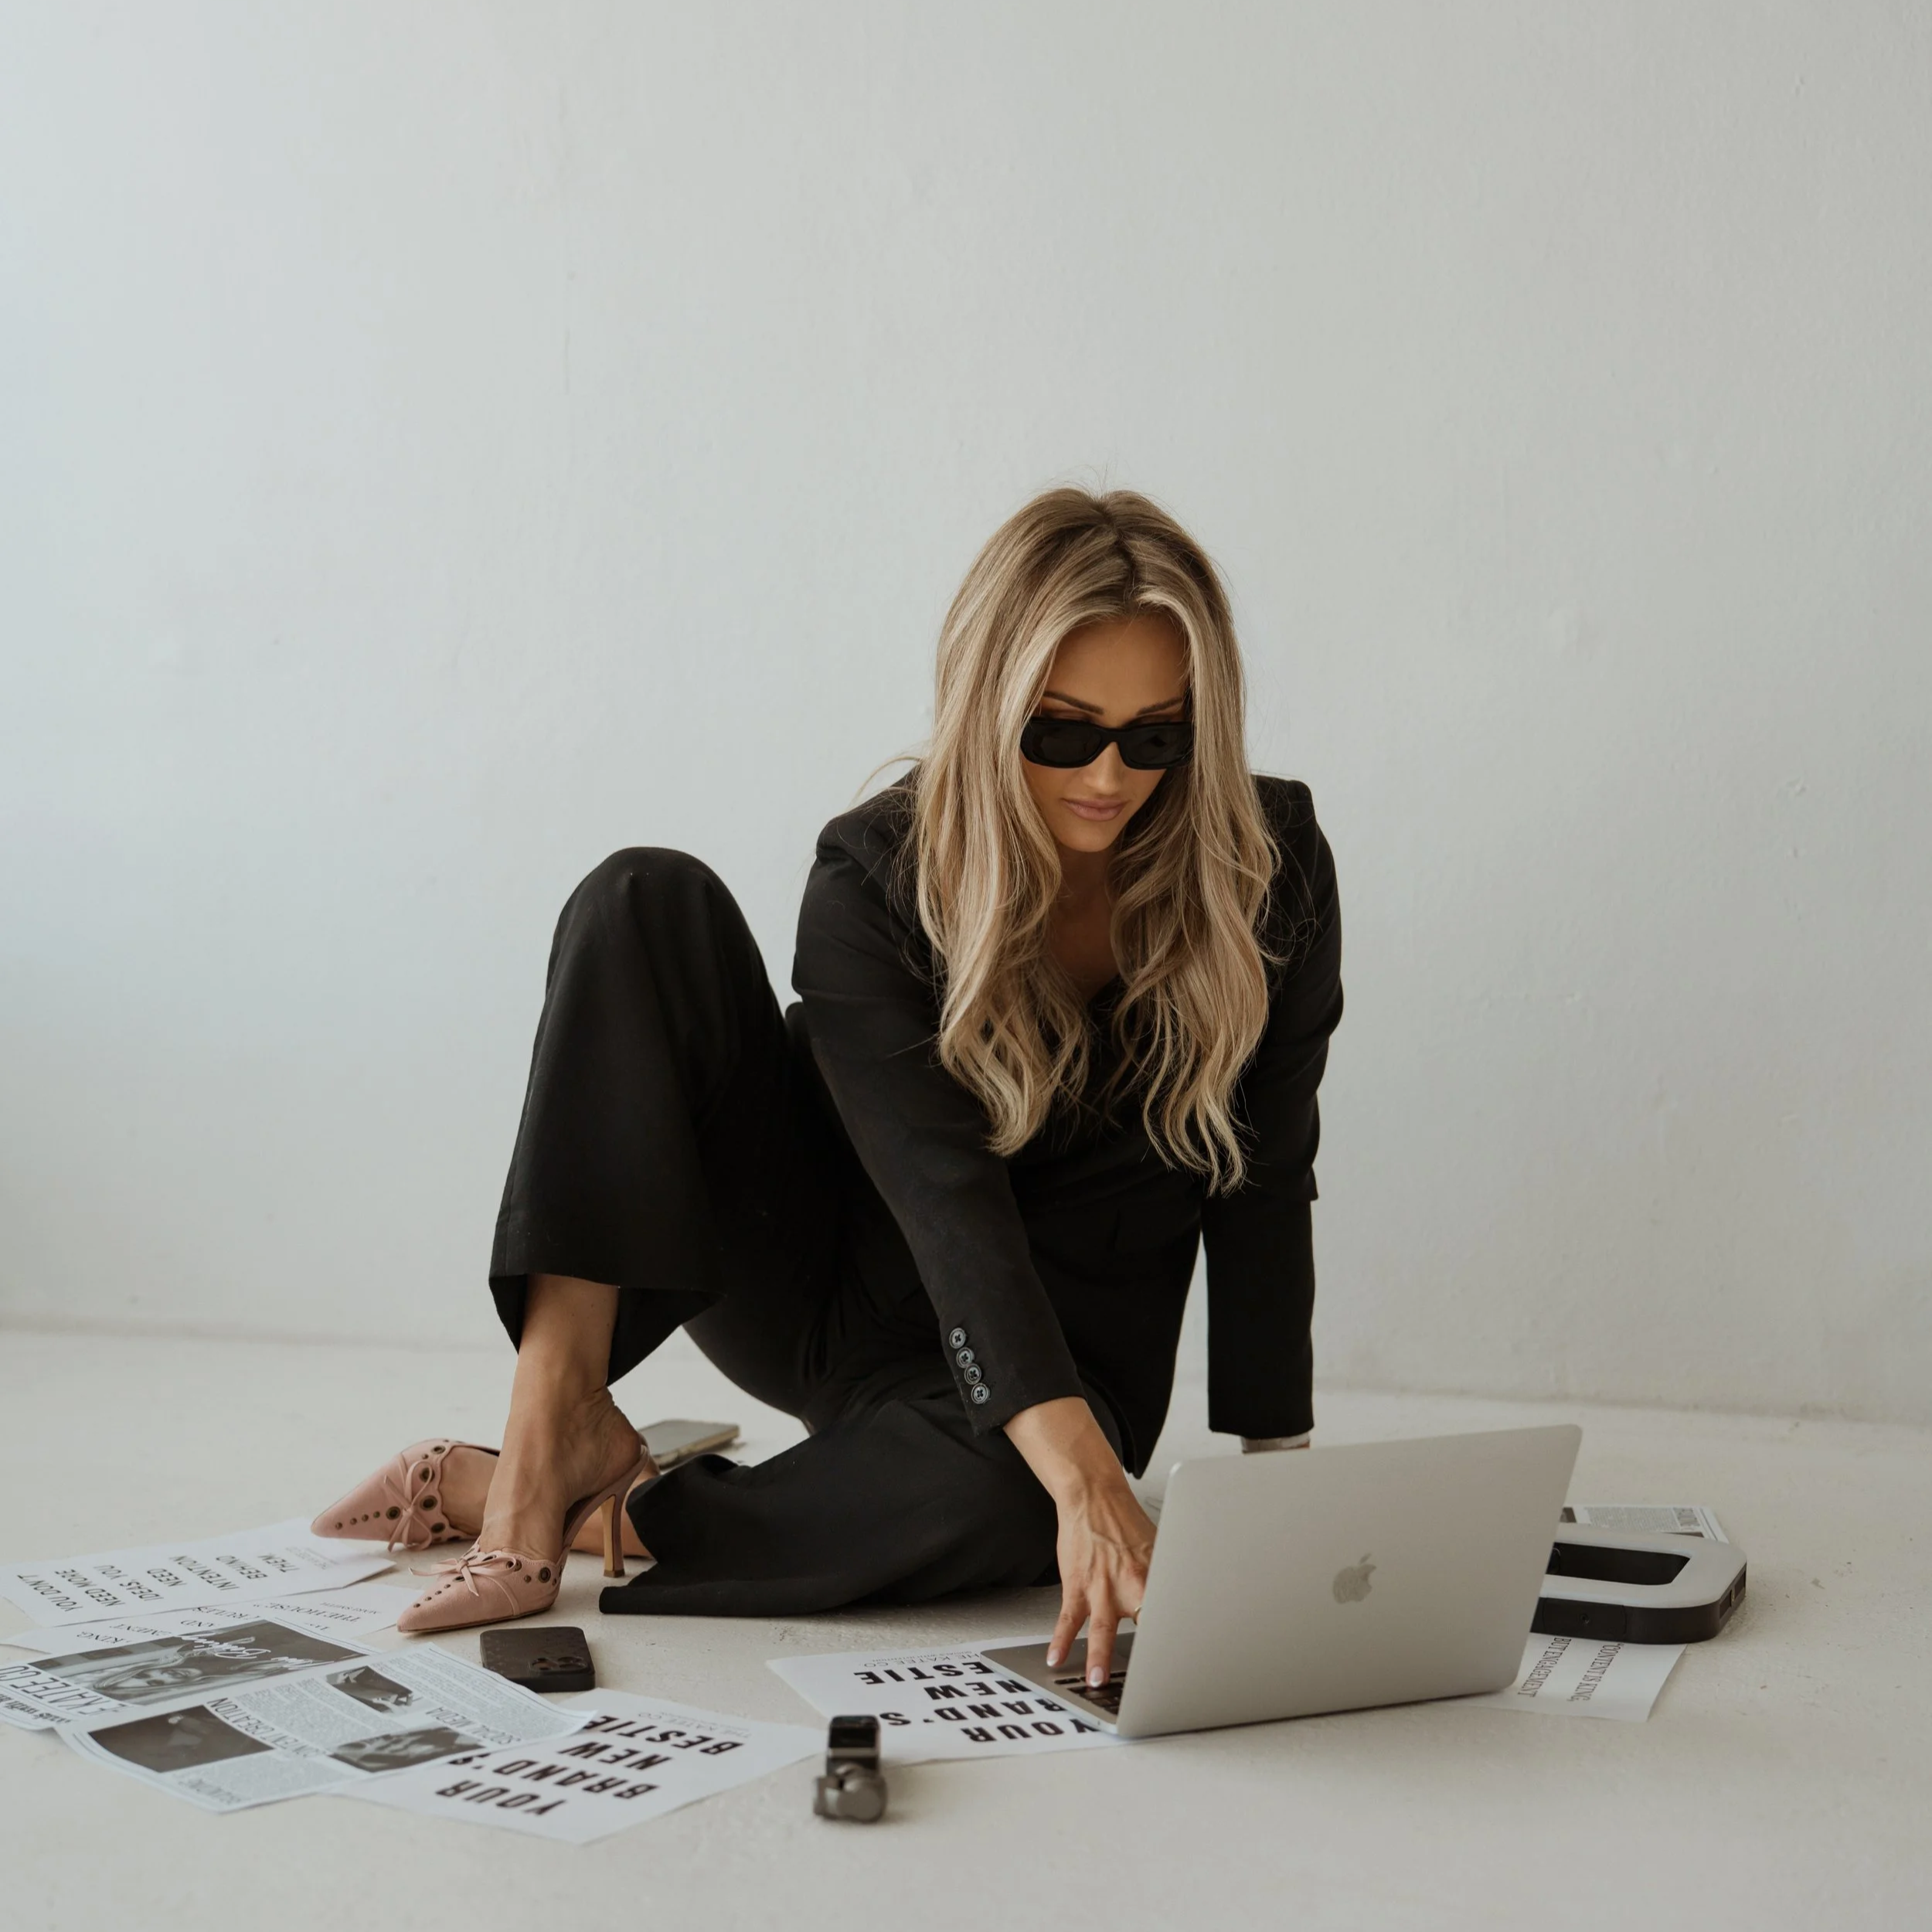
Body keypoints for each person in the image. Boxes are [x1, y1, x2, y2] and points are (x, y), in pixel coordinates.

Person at [312, 487, 1342, 1692]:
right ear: (987, 701)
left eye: (1155, 736)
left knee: (1012, 1490)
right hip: (823, 1281)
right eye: (1064, 731)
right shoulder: (873, 878)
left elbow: (1269, 1169)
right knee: (640, 900)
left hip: (1069, 1333)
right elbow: (941, 1191)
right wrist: (1085, 1481)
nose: (1111, 776)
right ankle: (549, 1441)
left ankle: (613, 1511)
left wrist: (1281, 1482)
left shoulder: (1266, 870)